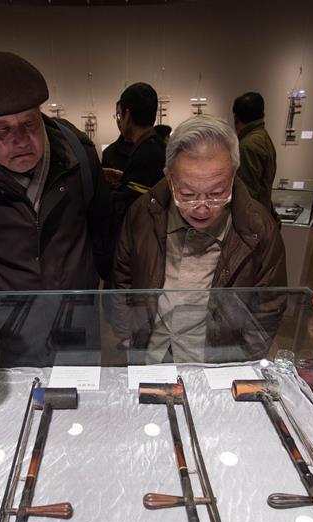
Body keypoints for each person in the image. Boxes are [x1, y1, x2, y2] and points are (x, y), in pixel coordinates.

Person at [0, 50, 111, 291]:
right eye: (3, 130)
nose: (22, 141)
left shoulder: (77, 156)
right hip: (7, 320)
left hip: (77, 313)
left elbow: (102, 228)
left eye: (30, 123)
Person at [114, 115, 287, 363]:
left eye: (217, 193)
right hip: (152, 351)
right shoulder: (143, 213)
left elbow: (268, 307)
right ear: (169, 176)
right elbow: (123, 278)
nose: (202, 208)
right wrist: (126, 334)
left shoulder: (259, 228)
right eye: (187, 194)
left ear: (234, 174)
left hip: (216, 361)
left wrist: (242, 363)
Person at [106, 83, 166, 251]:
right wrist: (122, 180)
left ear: (127, 115)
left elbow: (133, 206)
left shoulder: (146, 152)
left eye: (119, 115)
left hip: (142, 246)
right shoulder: (155, 146)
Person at [233, 92, 277, 217]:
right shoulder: (262, 137)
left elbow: (246, 192)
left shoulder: (248, 145)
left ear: (236, 117)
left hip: (253, 216)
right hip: (260, 211)